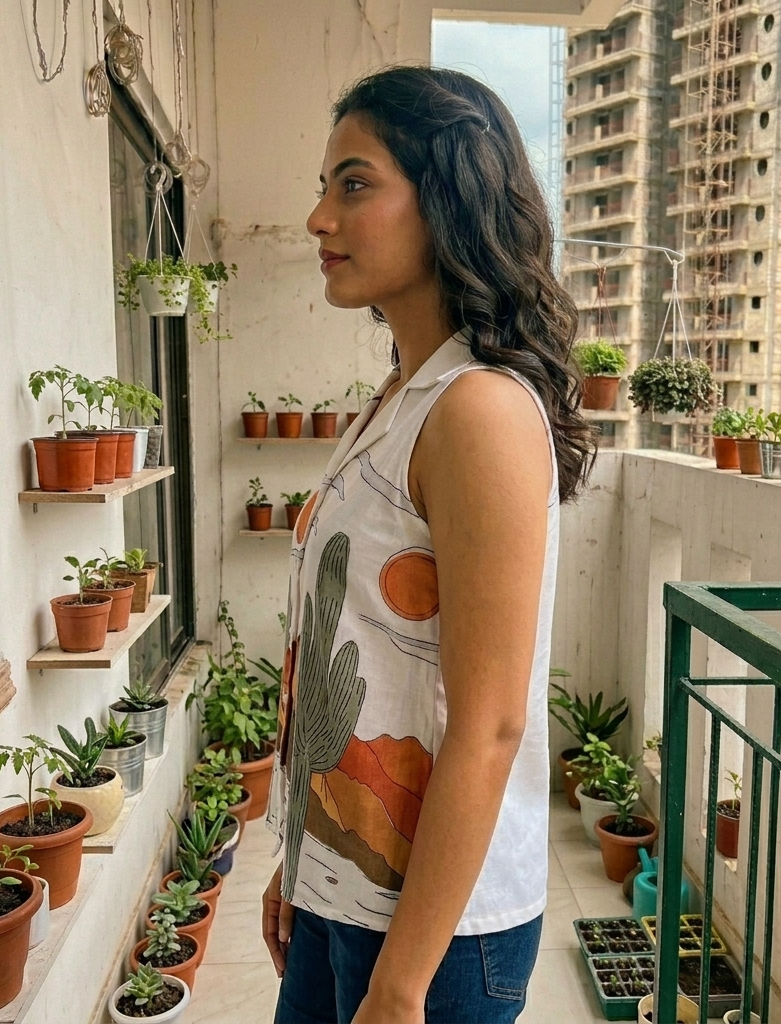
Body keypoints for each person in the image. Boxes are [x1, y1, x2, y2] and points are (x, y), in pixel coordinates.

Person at [261, 65, 596, 1024]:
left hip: (435, 936)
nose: (319, 217)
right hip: (346, 887)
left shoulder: (478, 410)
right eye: (324, 186)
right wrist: (301, 859)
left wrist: (403, 983)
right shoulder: (401, 399)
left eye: (354, 184)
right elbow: (351, 654)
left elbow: (490, 723)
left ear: (449, 199)